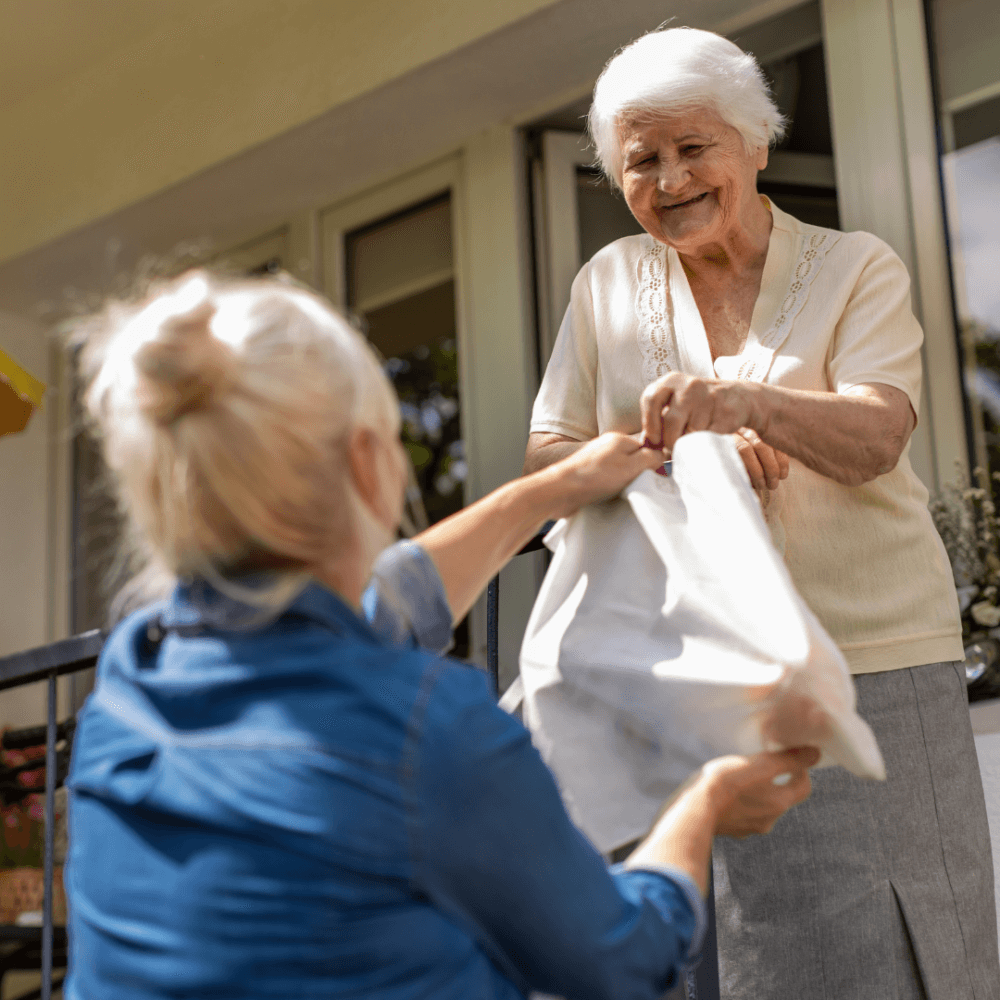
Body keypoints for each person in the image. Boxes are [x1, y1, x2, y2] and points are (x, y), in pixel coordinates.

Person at [64, 269, 818, 1000]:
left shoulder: (130, 682)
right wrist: (703, 796)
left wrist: (552, 490)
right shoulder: (427, 728)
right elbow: (620, 957)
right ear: (368, 464)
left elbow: (380, 606)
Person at [524, 25, 1000, 1000]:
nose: (668, 179)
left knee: (908, 936)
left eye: (693, 148)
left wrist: (743, 404)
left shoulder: (854, 266)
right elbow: (549, 458)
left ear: (754, 144)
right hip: (682, 671)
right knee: (733, 951)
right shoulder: (606, 284)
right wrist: (667, 459)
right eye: (640, 161)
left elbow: (876, 435)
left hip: (873, 658)